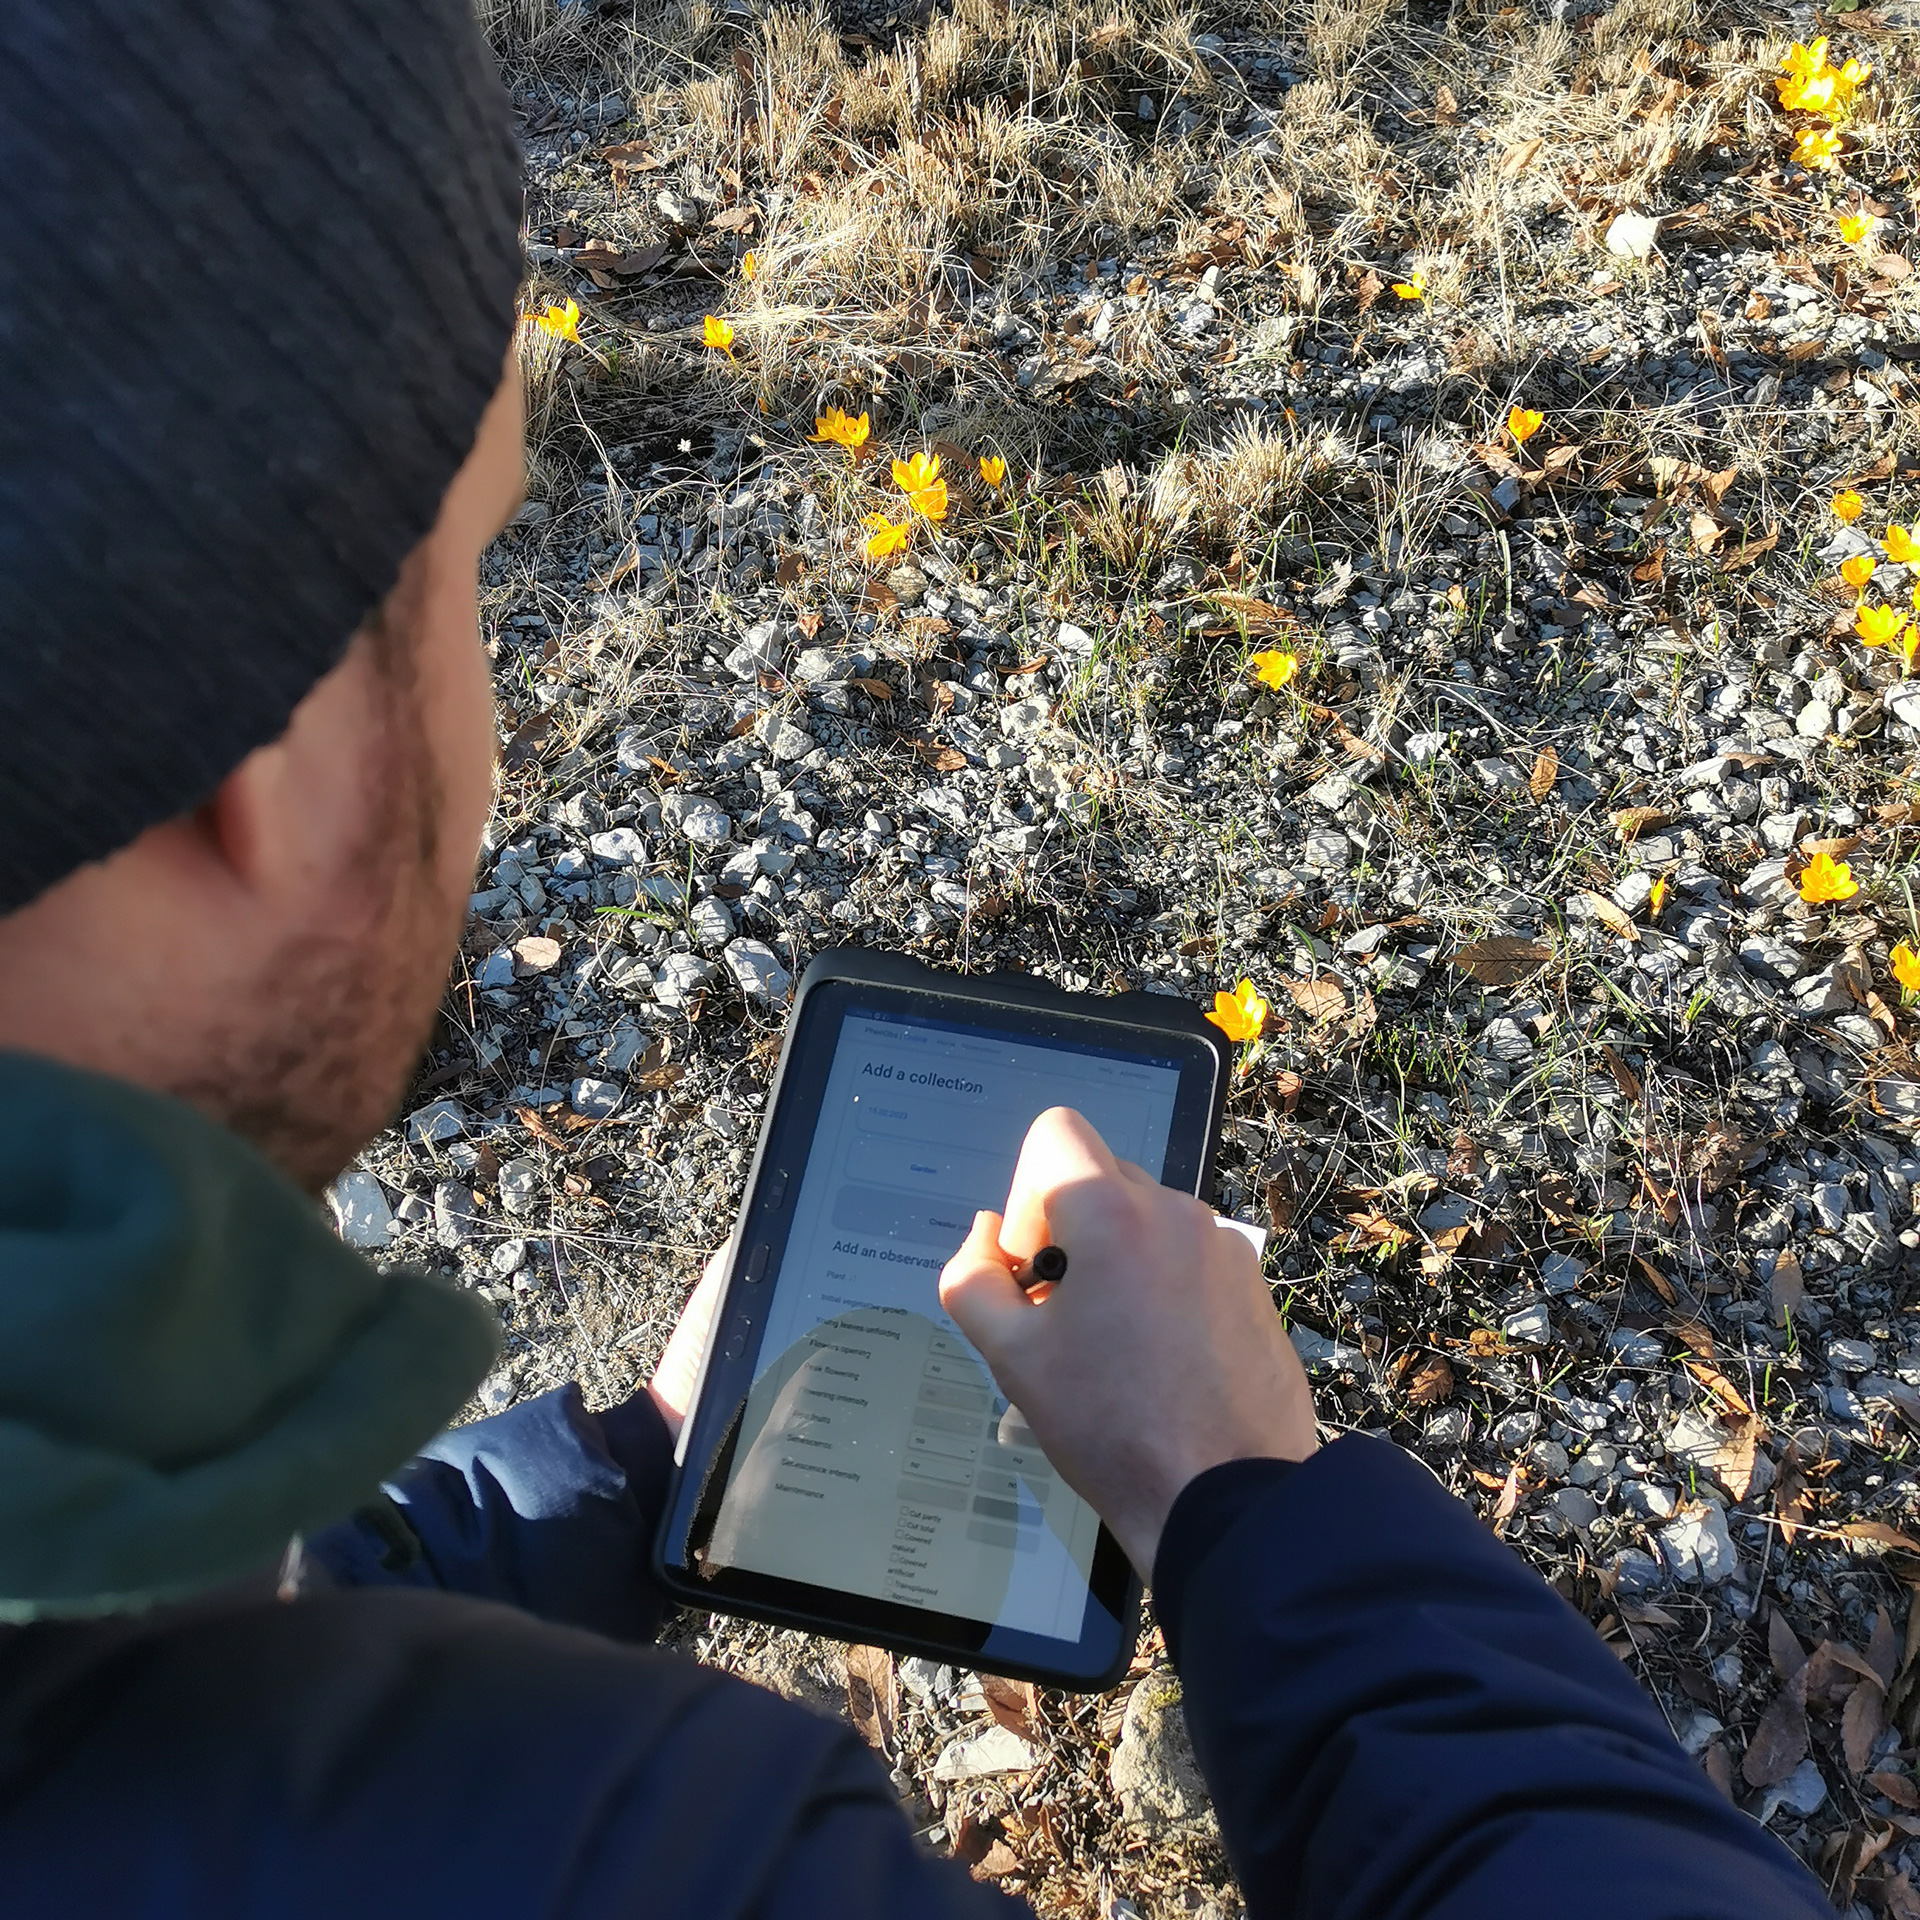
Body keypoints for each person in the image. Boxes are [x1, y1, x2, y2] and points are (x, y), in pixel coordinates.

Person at [0, 2, 1830, 1915]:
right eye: (472, 571)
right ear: (267, 767)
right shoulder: (656, 1864)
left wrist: (643, 1459)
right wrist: (1258, 1504)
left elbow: (168, 1659)